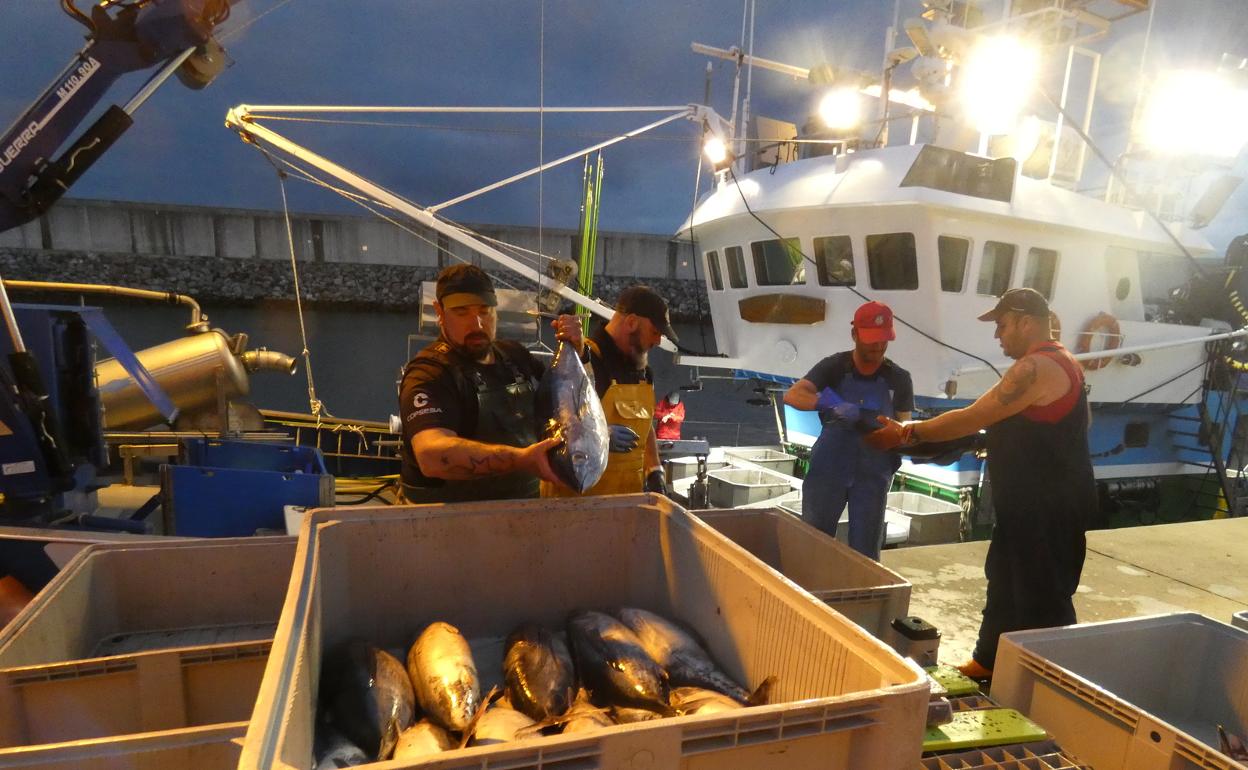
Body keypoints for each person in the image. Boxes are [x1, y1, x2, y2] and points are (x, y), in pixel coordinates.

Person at [866, 288, 1095, 679]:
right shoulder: (1066, 362)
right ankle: (987, 662)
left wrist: (907, 433)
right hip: (1029, 505)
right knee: (1004, 582)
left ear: (1026, 322)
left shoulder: (1034, 367)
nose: (998, 336)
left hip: (1047, 510)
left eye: (1003, 325)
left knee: (1043, 599)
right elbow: (1067, 425)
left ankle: (1052, 683)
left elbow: (973, 415)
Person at [398, 264, 584, 503]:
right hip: (443, 524)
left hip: (524, 511)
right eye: (462, 312)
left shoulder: (515, 356)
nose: (476, 324)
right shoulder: (429, 374)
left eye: (485, 311)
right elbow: (432, 456)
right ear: (440, 312)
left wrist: (576, 351)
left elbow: (566, 398)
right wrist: (522, 459)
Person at [782, 301, 913, 560]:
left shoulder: (899, 379)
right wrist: (827, 403)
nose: (877, 346)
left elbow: (904, 427)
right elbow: (793, 395)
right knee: (813, 542)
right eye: (871, 340)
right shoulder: (834, 367)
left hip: (873, 474)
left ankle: (861, 597)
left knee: (866, 551)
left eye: (883, 340)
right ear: (854, 334)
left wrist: (906, 440)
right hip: (829, 468)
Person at [542, 285, 676, 497]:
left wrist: (655, 470)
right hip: (576, 505)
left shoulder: (644, 372)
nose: (658, 341)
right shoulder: (586, 362)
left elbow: (644, 422)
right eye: (655, 332)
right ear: (631, 322)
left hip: (626, 504)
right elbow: (555, 425)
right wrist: (600, 436)